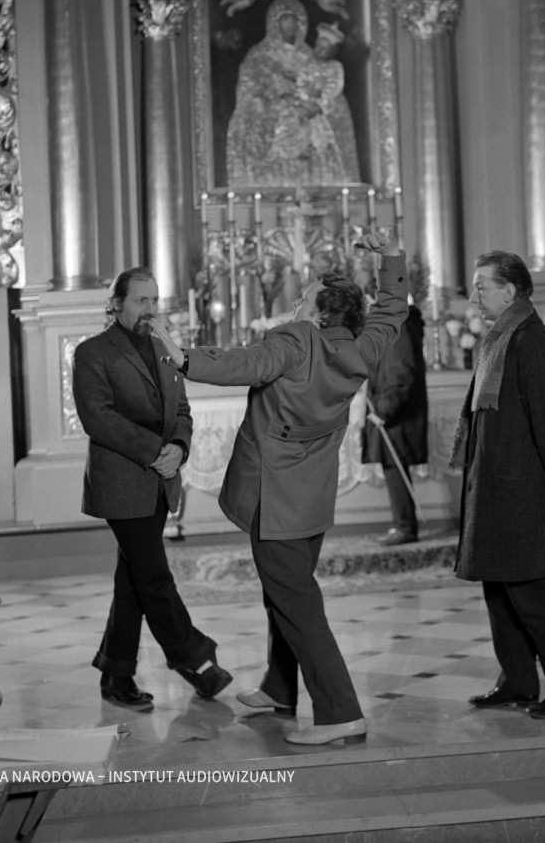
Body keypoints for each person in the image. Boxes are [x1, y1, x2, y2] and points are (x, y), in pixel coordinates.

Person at [151, 228, 407, 745]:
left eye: (303, 300)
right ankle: (279, 687)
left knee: (299, 607)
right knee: (283, 596)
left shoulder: (295, 340)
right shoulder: (359, 348)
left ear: (320, 315)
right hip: (311, 500)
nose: (294, 305)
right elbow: (391, 312)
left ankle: (340, 714)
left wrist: (183, 358)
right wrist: (393, 260)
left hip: (276, 502)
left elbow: (248, 363)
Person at [73, 267, 232, 711]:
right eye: (141, 300)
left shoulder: (165, 349)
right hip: (122, 482)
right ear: (117, 304)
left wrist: (178, 448)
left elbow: (182, 409)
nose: (150, 309)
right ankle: (195, 661)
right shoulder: (92, 352)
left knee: (133, 581)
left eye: (154, 300)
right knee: (154, 577)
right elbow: (98, 418)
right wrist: (154, 451)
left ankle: (115, 674)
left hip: (160, 481)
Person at [450, 251, 545, 719]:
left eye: (482, 287)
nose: (475, 296)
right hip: (494, 485)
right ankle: (517, 682)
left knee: (532, 591)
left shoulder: (530, 338)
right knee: (498, 588)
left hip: (520, 487)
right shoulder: (500, 336)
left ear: (509, 291)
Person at [226, 0, 313, 186]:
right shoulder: (260, 55)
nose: (291, 24)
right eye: (285, 19)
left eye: (295, 19)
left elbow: (315, 83)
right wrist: (275, 96)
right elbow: (250, 88)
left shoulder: (307, 55)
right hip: (271, 112)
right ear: (275, 23)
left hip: (302, 112)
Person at [362, 302, 428, 545]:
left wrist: (384, 410)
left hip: (398, 414)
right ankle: (402, 524)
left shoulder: (399, 326)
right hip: (393, 410)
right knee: (393, 465)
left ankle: (405, 527)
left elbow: (401, 371)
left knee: (395, 464)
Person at [272, 21, 360, 184]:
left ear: (331, 50)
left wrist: (318, 103)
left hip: (320, 109)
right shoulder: (308, 64)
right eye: (318, 46)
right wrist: (297, 95)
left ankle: (322, 173)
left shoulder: (334, 67)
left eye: (324, 48)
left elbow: (333, 88)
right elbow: (299, 81)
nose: (319, 50)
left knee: (320, 141)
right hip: (302, 105)